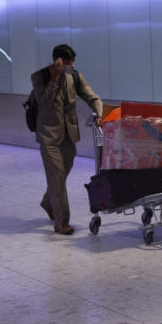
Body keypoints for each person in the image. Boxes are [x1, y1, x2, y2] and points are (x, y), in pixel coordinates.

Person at [32, 44, 103, 235]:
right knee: (57, 176)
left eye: (72, 65)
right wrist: (54, 79)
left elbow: (92, 97)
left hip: (69, 136)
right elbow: (44, 103)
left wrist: (98, 112)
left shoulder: (76, 77)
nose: (70, 69)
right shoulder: (40, 77)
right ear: (57, 61)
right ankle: (62, 222)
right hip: (48, 136)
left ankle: (49, 203)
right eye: (67, 65)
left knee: (61, 175)